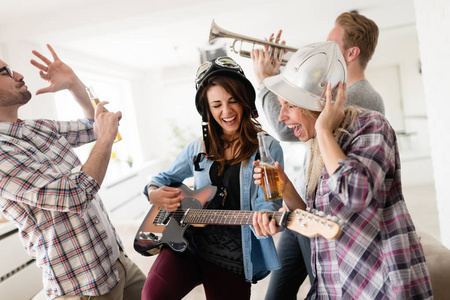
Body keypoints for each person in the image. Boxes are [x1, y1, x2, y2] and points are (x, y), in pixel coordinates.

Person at [252, 41, 432, 299]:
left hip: (382, 287)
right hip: (335, 286)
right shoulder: (317, 145)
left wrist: (324, 129)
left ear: (320, 102)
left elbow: (354, 194)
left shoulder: (371, 125)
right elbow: (321, 225)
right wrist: (286, 189)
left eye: (289, 106)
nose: (281, 117)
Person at [251, 11, 385, 300]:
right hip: (307, 208)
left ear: (351, 53)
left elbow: (288, 130)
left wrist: (265, 82)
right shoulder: (320, 121)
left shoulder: (357, 100)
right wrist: (286, 189)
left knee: (322, 286)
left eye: (330, 46)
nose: (324, 53)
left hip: (332, 222)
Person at [0, 44, 146, 299]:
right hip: (82, 285)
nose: (19, 75)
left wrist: (74, 85)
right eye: (5, 72)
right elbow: (74, 195)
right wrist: (105, 141)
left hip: (116, 260)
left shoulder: (37, 128)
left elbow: (95, 125)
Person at [140, 56, 284, 300]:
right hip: (186, 243)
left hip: (234, 257)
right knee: (152, 296)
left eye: (233, 101)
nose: (226, 112)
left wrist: (266, 219)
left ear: (246, 101)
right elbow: (161, 179)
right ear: (207, 109)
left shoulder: (269, 148)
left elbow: (270, 203)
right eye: (216, 105)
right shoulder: (197, 147)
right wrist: (154, 193)